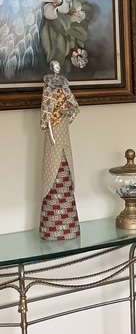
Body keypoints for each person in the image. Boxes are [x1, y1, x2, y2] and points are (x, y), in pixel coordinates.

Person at [39, 61, 81, 241]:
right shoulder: (48, 88)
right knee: (52, 173)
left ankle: (69, 226)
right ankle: (52, 227)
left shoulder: (64, 87)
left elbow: (74, 106)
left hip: (61, 128)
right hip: (53, 132)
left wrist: (66, 112)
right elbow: (45, 110)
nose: (56, 70)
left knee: (65, 169)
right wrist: (47, 122)